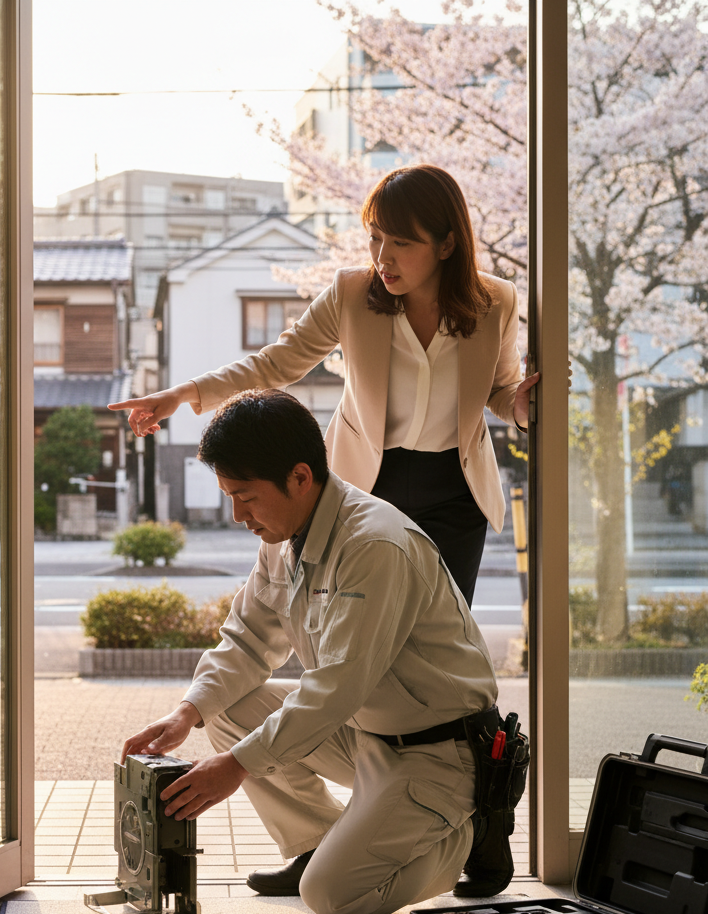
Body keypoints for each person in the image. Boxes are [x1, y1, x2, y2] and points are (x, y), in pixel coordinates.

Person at [121, 389, 502, 914]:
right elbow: (249, 637)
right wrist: (187, 712)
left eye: (246, 496)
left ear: (300, 477)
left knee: (332, 899)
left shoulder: (374, 544)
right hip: (367, 731)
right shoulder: (282, 536)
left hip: (439, 752)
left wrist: (234, 767)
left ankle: (472, 829)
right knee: (226, 708)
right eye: (230, 496)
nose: (237, 515)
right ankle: (316, 845)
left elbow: (335, 687)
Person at [110, 164, 538, 606]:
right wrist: (182, 394)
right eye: (376, 237)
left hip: (455, 490)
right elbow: (277, 363)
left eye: (402, 243)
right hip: (367, 483)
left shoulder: (495, 302)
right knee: (360, 623)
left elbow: (499, 390)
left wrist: (521, 408)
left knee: (444, 630)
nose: (382, 257)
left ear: (447, 244)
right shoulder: (351, 293)